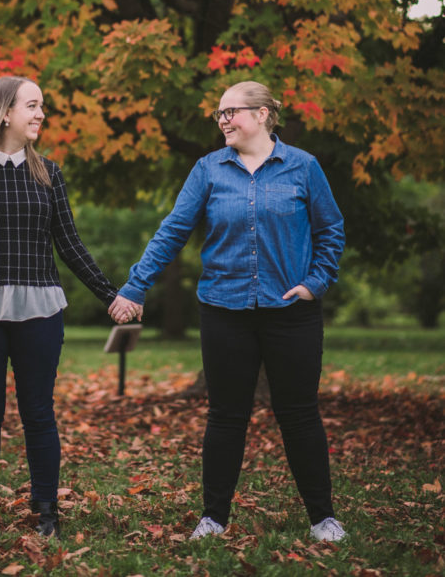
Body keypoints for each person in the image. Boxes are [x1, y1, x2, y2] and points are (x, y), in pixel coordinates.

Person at [109, 80, 347, 543]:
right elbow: (173, 229)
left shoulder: (303, 167)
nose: (223, 120)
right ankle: (213, 517)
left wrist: (314, 284)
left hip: (291, 312)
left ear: (262, 115)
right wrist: (136, 286)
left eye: (231, 111)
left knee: (299, 415)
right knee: (225, 416)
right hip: (224, 310)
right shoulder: (208, 170)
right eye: (219, 113)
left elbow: (331, 231)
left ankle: (323, 518)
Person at [0, 75, 118, 539]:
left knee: (38, 412)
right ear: (5, 112)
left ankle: (47, 514)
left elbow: (70, 245)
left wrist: (111, 295)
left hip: (40, 309)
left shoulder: (48, 172)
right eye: (32, 106)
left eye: (42, 107)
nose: (40, 115)